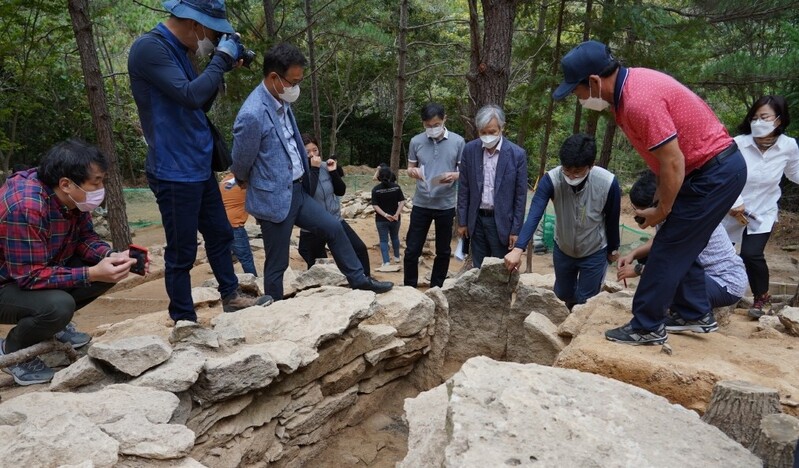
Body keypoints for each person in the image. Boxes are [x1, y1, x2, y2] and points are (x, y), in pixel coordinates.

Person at [553, 40, 747, 345]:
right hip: (711, 170)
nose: (577, 98)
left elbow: (672, 161)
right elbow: (663, 161)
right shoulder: (629, 91)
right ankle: (694, 312)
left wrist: (663, 209)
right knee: (681, 242)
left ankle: (646, 326)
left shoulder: (638, 101)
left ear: (593, 81)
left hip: (712, 172)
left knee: (669, 246)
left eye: (576, 91)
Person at [129, 0, 272, 322]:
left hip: (197, 164)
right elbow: (191, 95)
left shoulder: (181, 51)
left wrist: (220, 69)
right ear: (196, 24)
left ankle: (231, 295)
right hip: (173, 168)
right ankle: (183, 317)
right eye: (214, 32)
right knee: (182, 250)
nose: (215, 40)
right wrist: (220, 60)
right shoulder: (150, 48)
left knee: (220, 234)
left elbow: (197, 104)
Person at [230, 42, 392, 300]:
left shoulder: (281, 101)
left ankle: (359, 280)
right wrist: (248, 180)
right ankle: (275, 309)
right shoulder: (252, 114)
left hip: (298, 191)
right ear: (274, 78)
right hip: (273, 198)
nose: (296, 87)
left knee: (333, 227)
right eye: (293, 82)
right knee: (277, 263)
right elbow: (240, 161)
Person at [0, 140, 138, 386]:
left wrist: (108, 256)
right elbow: (30, 276)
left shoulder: (71, 199)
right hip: (9, 281)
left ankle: (51, 327)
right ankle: (13, 350)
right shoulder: (26, 207)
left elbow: (84, 239)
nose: (101, 188)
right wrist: (91, 273)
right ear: (66, 183)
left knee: (106, 273)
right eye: (96, 182)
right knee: (58, 306)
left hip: (36, 269)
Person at [504, 133, 620, 310]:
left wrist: (613, 249)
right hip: (563, 248)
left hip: (594, 249)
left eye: (577, 171)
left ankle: (577, 330)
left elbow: (612, 219)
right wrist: (518, 249)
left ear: (591, 165)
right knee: (563, 294)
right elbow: (535, 213)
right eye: (567, 170)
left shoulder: (607, 183)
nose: (571, 176)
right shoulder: (552, 179)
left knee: (586, 300)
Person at [620, 170, 747, 313]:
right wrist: (633, 253)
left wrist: (638, 270)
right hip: (702, 276)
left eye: (643, 214)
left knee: (661, 285)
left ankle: (699, 317)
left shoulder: (685, 219)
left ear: (658, 203)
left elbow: (669, 265)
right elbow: (660, 240)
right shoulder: (669, 210)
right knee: (648, 259)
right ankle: (688, 308)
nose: (642, 220)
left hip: (725, 283)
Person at [721, 96, 799, 318]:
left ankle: (760, 297)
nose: (758, 122)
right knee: (724, 253)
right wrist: (734, 203)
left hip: (763, 212)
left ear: (778, 120)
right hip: (731, 210)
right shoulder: (737, 144)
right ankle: (720, 293)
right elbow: (724, 176)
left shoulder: (788, 146)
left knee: (751, 254)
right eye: (754, 118)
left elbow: (794, 173)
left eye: (764, 117)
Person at [458, 105, 528, 268]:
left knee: (500, 268)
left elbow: (520, 196)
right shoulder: (470, 150)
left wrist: (516, 230)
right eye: (483, 132)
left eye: (492, 132)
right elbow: (464, 188)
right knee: (479, 267)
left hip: (502, 222)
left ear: (502, 128)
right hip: (477, 221)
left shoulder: (517, 155)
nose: (487, 136)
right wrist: (462, 222)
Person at [404, 103, 465, 288]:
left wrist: (454, 175)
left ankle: (436, 288)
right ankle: (409, 288)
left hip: (445, 205)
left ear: (444, 119)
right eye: (428, 125)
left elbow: (464, 172)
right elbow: (410, 167)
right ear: (423, 123)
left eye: (436, 124)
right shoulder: (416, 141)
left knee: (443, 251)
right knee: (412, 250)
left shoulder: (458, 142)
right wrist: (412, 172)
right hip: (421, 203)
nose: (432, 128)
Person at [298, 135, 371, 275]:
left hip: (335, 219)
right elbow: (309, 193)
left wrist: (333, 172)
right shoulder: (299, 172)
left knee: (359, 248)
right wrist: (314, 169)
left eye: (315, 150)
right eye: (308, 152)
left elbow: (340, 190)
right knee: (317, 264)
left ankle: (366, 280)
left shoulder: (326, 166)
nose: (313, 154)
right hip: (314, 225)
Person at [219, 173, 257, 276]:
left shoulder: (226, 180)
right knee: (246, 258)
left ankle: (229, 284)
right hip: (235, 225)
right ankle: (254, 282)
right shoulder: (243, 181)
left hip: (221, 223)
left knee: (225, 257)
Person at [372, 165, 406, 271]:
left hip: (381, 219)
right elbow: (402, 201)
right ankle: (396, 257)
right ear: (391, 175)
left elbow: (375, 205)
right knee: (395, 237)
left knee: (383, 240)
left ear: (379, 177)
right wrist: (396, 214)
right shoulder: (396, 187)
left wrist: (385, 215)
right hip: (395, 218)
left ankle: (386, 262)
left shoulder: (376, 190)